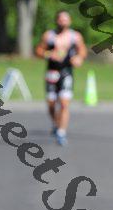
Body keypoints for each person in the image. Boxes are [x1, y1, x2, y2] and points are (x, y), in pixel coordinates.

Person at [35, 10, 87, 145]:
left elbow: (82, 50)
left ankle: (61, 132)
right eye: (61, 19)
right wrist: (48, 54)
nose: (63, 22)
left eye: (65, 19)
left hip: (66, 73)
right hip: (51, 72)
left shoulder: (75, 36)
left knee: (64, 104)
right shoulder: (49, 36)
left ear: (69, 21)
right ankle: (56, 123)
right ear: (56, 20)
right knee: (51, 104)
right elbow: (38, 51)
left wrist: (79, 58)